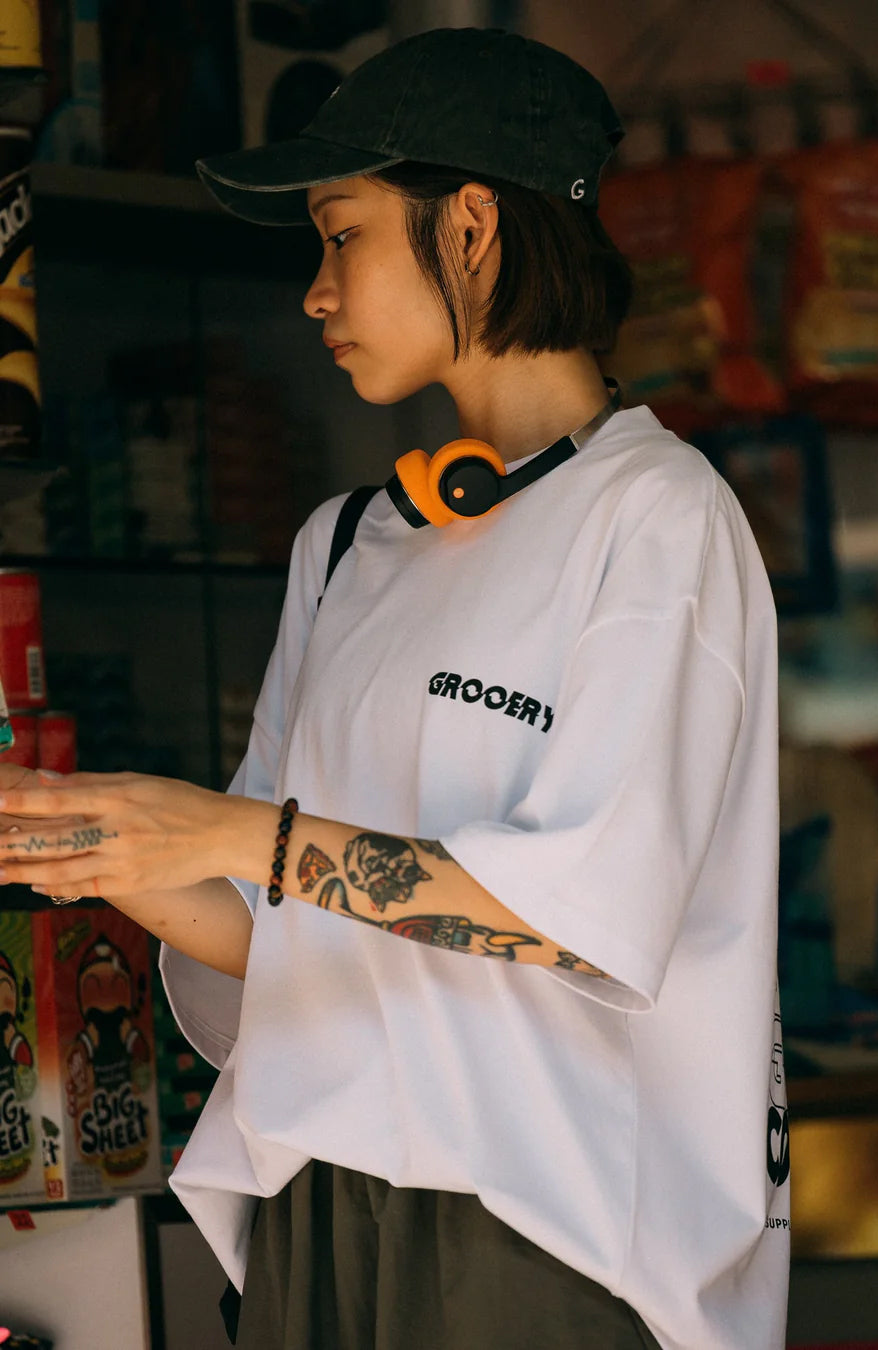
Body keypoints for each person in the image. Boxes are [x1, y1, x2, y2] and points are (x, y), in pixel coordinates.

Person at [0, 27, 789, 1350]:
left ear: (471, 228)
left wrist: (224, 829)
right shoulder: (346, 542)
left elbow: (585, 920)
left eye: (342, 233)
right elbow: (272, 922)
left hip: (537, 1237)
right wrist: (82, 831)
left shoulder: (660, 521)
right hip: (317, 1214)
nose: (314, 290)